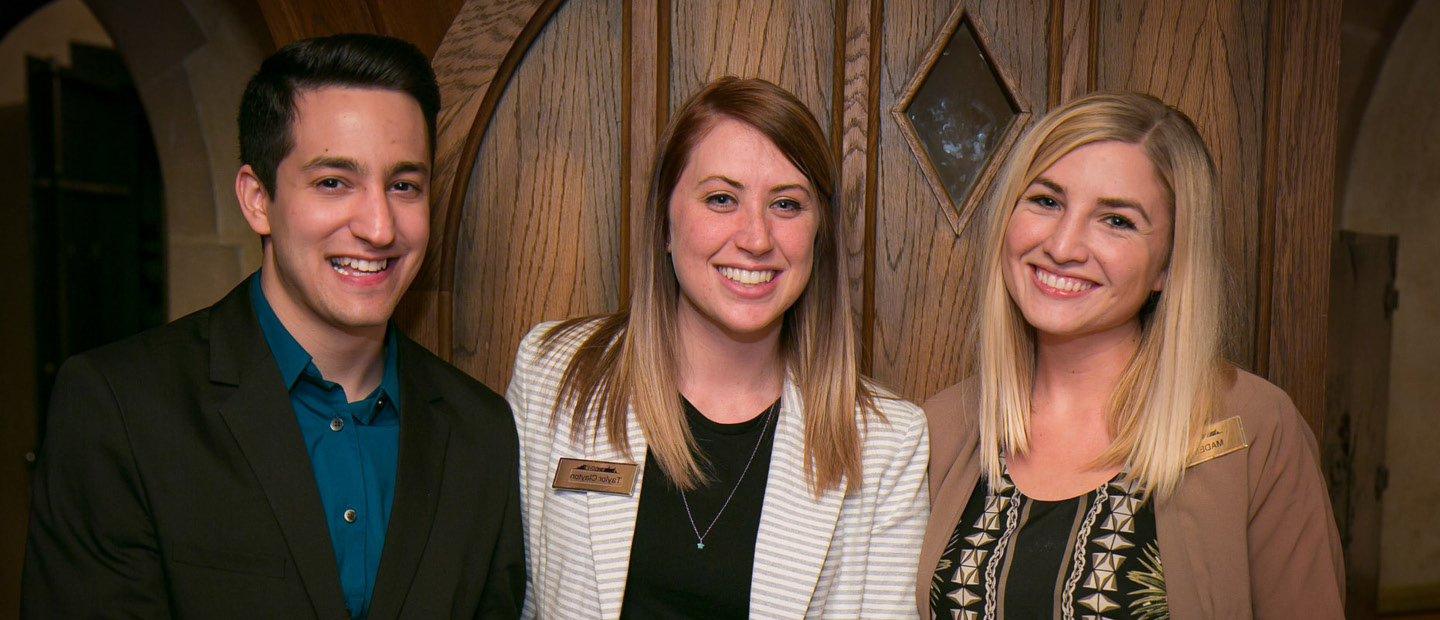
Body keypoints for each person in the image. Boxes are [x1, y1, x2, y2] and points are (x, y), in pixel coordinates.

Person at [23, 34, 524, 618]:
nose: (380, 227)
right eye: (334, 182)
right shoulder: (121, 410)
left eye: (403, 186)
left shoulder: (481, 433)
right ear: (257, 199)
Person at [507, 76, 928, 618]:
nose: (755, 238)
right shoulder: (553, 373)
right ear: (664, 217)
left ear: (819, 233)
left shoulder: (886, 443)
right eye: (721, 199)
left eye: (786, 204)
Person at [918, 92, 1344, 618]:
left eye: (1117, 221)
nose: (1064, 246)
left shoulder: (1253, 427)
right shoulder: (937, 432)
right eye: (1046, 201)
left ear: (1168, 264)